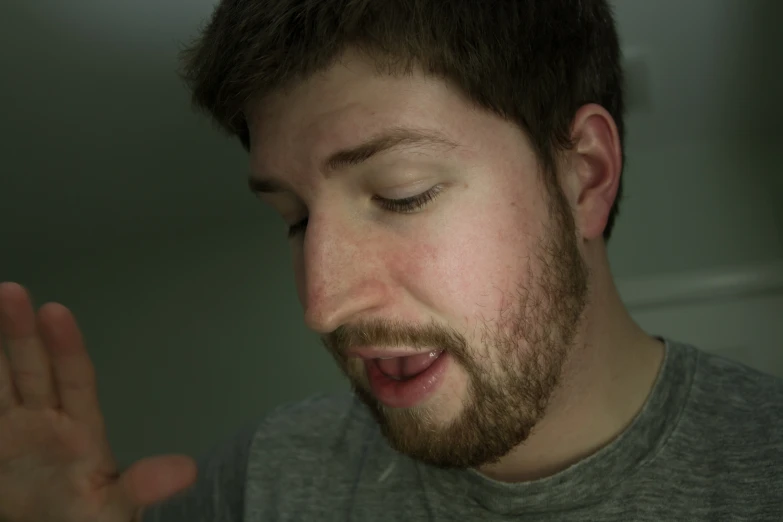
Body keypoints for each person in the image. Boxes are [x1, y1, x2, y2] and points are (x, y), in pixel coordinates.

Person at [0, 0, 781, 521]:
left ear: (585, 175)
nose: (322, 305)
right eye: (296, 218)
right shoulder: (263, 480)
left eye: (401, 193)